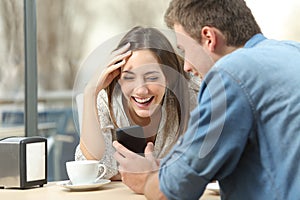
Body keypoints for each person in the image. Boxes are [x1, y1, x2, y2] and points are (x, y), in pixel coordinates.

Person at [113, 0, 300, 199]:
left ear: (209, 38)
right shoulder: (292, 51)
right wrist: (171, 168)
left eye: (184, 50)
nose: (185, 67)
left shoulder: (229, 73)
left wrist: (146, 178)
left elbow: (171, 191)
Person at [75, 26, 200, 180]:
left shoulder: (189, 96)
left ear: (168, 78)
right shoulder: (105, 100)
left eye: (152, 77)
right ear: (118, 77)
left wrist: (147, 171)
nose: (141, 90)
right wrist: (90, 92)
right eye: (129, 77)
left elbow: (203, 164)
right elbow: (91, 169)